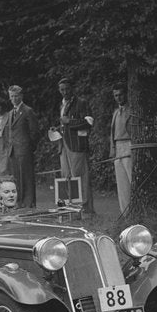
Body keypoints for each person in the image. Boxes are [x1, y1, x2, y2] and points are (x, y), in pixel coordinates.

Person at [55, 77, 94, 214]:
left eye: (67, 89)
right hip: (64, 145)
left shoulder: (81, 103)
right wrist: (58, 129)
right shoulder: (62, 104)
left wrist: (69, 122)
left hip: (77, 145)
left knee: (80, 176)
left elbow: (89, 122)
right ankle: (71, 208)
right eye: (62, 90)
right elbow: (63, 124)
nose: (64, 92)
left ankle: (86, 209)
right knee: (66, 175)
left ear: (72, 89)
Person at [7, 85, 40, 209]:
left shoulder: (27, 111)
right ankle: (19, 202)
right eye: (12, 97)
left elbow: (35, 132)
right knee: (16, 178)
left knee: (27, 177)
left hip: (25, 150)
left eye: (16, 96)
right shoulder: (10, 113)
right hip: (14, 150)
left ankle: (29, 203)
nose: (14, 99)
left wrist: (29, 147)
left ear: (21, 96)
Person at [109, 83, 134, 213]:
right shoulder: (115, 112)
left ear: (126, 94)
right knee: (122, 184)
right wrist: (112, 149)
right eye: (116, 95)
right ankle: (125, 212)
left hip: (129, 145)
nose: (118, 98)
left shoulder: (132, 110)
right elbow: (112, 133)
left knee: (132, 180)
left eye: (120, 94)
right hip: (118, 147)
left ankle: (135, 210)